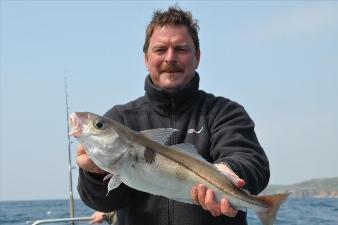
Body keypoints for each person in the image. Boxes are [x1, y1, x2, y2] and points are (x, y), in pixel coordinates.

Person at [77, 5, 270, 225]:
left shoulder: (224, 112)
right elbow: (104, 203)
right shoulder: (121, 118)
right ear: (146, 58)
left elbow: (251, 160)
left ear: (197, 56)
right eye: (160, 50)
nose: (170, 58)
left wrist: (229, 173)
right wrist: (95, 172)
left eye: (181, 49)